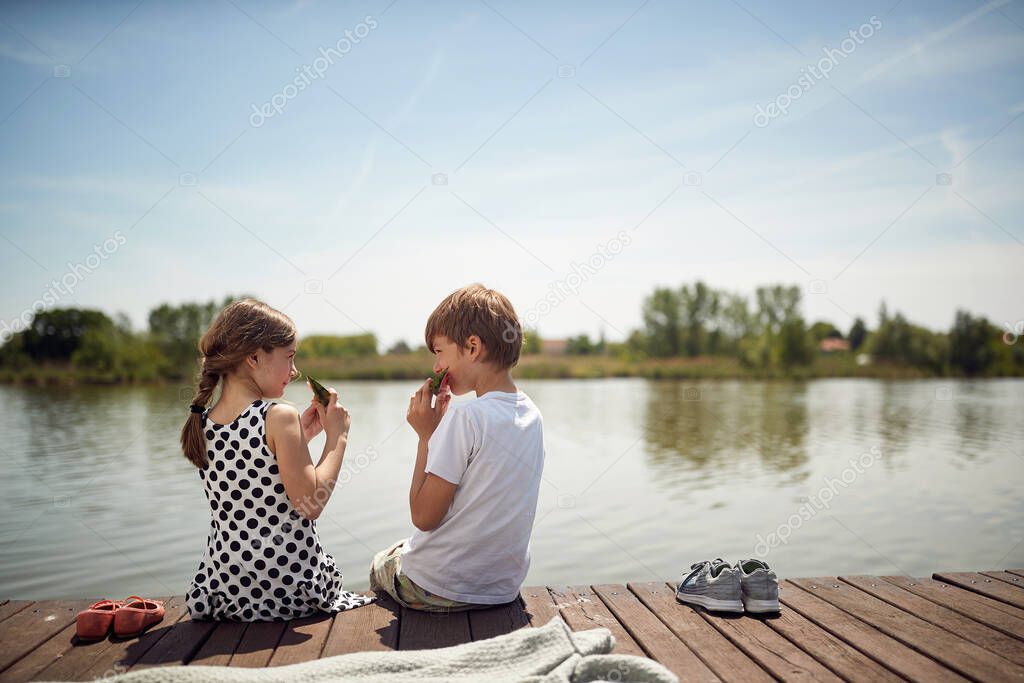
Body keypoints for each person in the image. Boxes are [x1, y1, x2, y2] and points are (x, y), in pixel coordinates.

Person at [181, 298, 374, 621]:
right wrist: (337, 436)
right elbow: (311, 504)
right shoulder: (278, 415)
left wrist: (302, 438)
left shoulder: (202, 422)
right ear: (254, 357)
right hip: (288, 591)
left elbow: (255, 475)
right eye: (289, 357)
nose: (295, 371)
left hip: (226, 591)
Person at [369, 284, 546, 612]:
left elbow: (423, 517)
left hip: (437, 588)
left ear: (473, 347)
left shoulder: (466, 417)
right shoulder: (532, 414)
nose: (436, 366)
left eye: (438, 351)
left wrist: (426, 436)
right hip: (501, 590)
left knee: (383, 561)